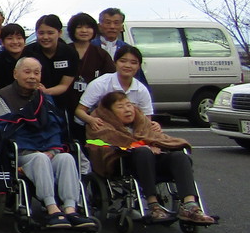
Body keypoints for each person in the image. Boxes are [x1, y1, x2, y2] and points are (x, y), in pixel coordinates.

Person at [0, 58, 97, 231]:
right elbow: (6, 129)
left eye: (36, 72)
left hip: (47, 150)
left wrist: (54, 149)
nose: (32, 77)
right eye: (27, 72)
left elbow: (54, 126)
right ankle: (52, 208)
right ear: (15, 74)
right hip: (22, 153)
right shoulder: (4, 95)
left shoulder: (45, 96)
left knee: (66, 158)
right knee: (40, 158)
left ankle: (70, 209)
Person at [86, 91, 215, 225]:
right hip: (124, 163)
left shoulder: (142, 121)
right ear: (110, 112)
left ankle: (190, 206)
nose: (127, 110)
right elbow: (105, 145)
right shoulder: (101, 125)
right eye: (120, 107)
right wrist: (144, 146)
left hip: (152, 159)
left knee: (179, 157)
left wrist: (154, 143)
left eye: (128, 105)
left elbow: (156, 138)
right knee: (143, 152)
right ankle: (153, 204)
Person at [76, 45, 155, 128]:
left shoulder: (141, 89)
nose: (127, 65)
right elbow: (80, 110)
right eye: (123, 61)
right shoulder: (100, 83)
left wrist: (153, 126)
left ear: (139, 66)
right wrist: (91, 120)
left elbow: (147, 118)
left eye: (133, 62)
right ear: (115, 63)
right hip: (101, 128)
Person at [63, 12, 115, 135]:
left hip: (92, 107)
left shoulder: (101, 54)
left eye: (88, 27)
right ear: (72, 30)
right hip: (66, 104)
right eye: (79, 27)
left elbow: (111, 80)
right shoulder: (63, 51)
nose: (84, 31)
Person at [22, 15, 79, 103]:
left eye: (50, 33)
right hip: (31, 99)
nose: (45, 37)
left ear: (59, 33)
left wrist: (45, 92)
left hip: (61, 102)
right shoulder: (28, 52)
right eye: (41, 33)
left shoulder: (70, 53)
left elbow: (64, 85)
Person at [0, 23, 27, 90]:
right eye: (10, 38)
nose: (15, 42)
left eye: (19, 38)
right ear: (2, 42)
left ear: (24, 41)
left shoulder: (33, 59)